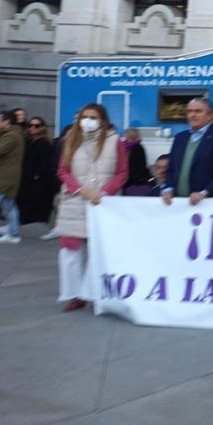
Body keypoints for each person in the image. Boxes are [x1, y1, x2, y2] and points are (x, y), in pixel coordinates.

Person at [56, 104, 128, 311]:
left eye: (93, 117)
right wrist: (80, 189)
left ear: (103, 120)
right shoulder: (71, 139)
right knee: (69, 249)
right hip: (74, 201)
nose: (87, 120)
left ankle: (90, 292)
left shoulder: (115, 141)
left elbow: (122, 172)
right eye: (84, 116)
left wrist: (105, 192)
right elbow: (62, 171)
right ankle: (73, 294)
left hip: (103, 203)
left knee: (98, 249)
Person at [161, 97, 213, 206]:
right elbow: (171, 169)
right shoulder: (180, 138)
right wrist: (168, 188)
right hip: (177, 204)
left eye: (198, 111)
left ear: (209, 115)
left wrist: (205, 192)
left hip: (206, 204)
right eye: (189, 111)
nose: (193, 115)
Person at [0, 110, 26, 242]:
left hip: (3, 177)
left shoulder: (11, 136)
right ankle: (13, 234)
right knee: (9, 206)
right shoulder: (13, 135)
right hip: (9, 177)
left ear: (7, 122)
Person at [17, 116, 59, 227]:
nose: (32, 128)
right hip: (26, 181)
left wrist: (37, 176)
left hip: (38, 183)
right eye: (30, 125)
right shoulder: (28, 141)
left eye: (36, 126)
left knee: (34, 210)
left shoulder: (44, 144)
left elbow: (44, 165)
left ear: (42, 127)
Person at [121, 127, 154, 195]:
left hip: (134, 180)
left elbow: (141, 166)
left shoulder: (138, 148)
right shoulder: (123, 146)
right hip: (126, 178)